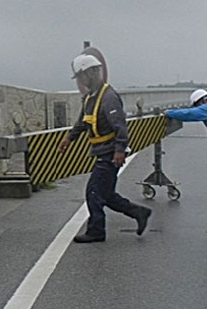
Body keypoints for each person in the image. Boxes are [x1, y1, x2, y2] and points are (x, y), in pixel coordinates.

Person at [59, 54, 152, 243]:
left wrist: (119, 150)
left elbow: (120, 126)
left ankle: (96, 231)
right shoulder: (89, 98)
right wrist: (70, 139)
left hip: (109, 154)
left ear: (91, 73)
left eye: (81, 76)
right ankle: (139, 212)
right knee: (106, 194)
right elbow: (82, 122)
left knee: (93, 192)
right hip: (101, 151)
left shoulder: (108, 97)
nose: (80, 80)